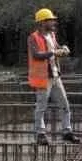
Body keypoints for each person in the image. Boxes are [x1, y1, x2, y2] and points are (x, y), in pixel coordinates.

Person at [27, 8, 77, 145]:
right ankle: (40, 134)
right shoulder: (33, 38)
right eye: (50, 20)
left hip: (55, 76)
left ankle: (67, 131)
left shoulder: (52, 35)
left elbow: (57, 47)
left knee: (65, 105)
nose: (53, 22)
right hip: (43, 78)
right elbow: (37, 55)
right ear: (42, 22)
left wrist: (64, 48)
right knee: (41, 107)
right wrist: (53, 53)